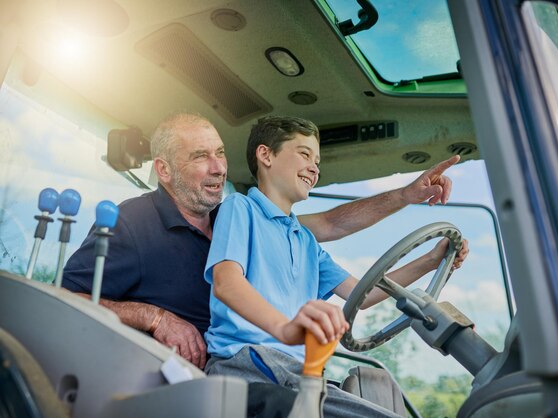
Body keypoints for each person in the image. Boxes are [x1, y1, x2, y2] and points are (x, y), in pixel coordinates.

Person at [62, 113, 466, 370]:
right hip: (198, 371)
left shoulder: (246, 221)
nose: (220, 167)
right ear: (164, 171)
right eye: (201, 156)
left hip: (274, 364)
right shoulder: (134, 222)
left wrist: (420, 231)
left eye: (220, 153)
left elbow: (332, 227)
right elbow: (66, 301)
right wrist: (155, 318)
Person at [204, 116, 469, 418]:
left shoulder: (305, 240)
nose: (315, 167)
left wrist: (430, 261)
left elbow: (363, 294)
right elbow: (226, 282)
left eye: (317, 160)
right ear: (266, 155)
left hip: (296, 373)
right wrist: (285, 329)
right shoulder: (241, 208)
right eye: (304, 154)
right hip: (249, 363)